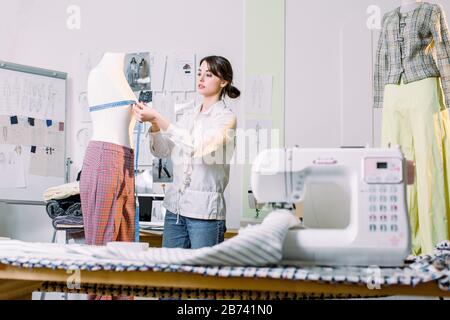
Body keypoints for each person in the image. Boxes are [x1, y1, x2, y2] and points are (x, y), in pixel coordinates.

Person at [133, 56, 239, 249]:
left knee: (203, 277)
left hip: (204, 214)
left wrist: (159, 117)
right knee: (170, 274)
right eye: (200, 73)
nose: (201, 78)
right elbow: (162, 150)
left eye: (208, 74)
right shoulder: (188, 116)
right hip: (175, 211)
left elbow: (197, 147)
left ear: (223, 82)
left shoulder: (226, 119)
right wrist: (155, 125)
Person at [374, 1, 450, 255]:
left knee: (429, 164)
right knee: (395, 168)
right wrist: (380, 96)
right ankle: (399, 245)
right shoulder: (387, 18)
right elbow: (382, 56)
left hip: (424, 88)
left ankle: (436, 246)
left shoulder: (432, 10)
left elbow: (444, 49)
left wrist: (448, 95)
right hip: (393, 91)